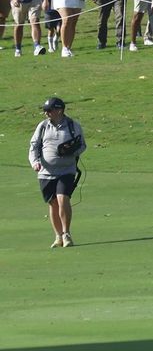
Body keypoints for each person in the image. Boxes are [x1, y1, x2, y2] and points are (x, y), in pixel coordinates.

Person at [29, 96, 85, 247]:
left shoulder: (73, 125)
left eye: (49, 110)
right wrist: (34, 162)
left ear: (59, 110)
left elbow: (82, 145)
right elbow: (34, 146)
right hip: (45, 172)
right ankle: (58, 236)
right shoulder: (42, 126)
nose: (46, 113)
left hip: (67, 170)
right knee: (53, 203)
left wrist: (72, 152)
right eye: (45, 110)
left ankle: (66, 234)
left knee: (62, 198)